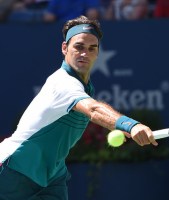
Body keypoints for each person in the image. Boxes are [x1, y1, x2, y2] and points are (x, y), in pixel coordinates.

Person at [0, 15, 158, 200]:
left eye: (92, 48)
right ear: (64, 48)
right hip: (16, 167)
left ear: (97, 53)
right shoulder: (63, 83)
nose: (85, 54)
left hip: (51, 175)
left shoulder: (84, 86)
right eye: (79, 47)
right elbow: (93, 109)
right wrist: (130, 125)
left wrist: (115, 124)